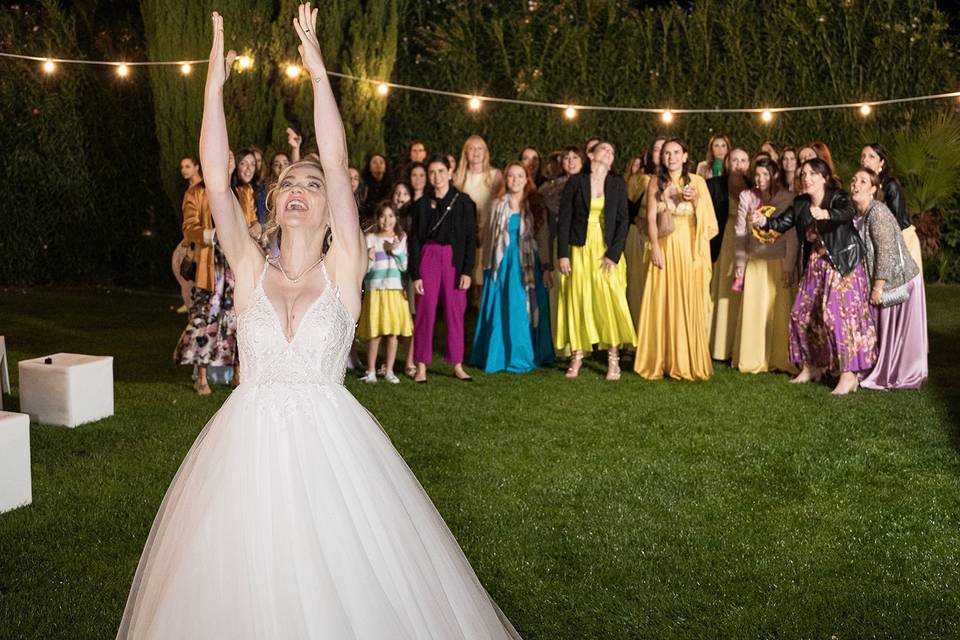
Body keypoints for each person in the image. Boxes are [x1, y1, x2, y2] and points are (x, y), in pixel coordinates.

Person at [118, 8, 522, 639]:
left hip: (335, 452)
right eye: (288, 183)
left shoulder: (345, 266)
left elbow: (335, 162)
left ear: (332, 208)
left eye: (310, 182)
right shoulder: (250, 266)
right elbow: (218, 182)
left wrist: (316, 72)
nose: (300, 186)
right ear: (276, 206)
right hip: (243, 450)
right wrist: (213, 88)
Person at [751, 158, 876, 395]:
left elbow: (847, 212)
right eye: (803, 174)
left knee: (835, 317)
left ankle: (848, 376)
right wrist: (764, 221)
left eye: (812, 174)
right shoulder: (800, 203)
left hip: (841, 263)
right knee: (801, 313)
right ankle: (812, 367)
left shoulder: (837, 197)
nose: (806, 178)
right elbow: (781, 223)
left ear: (823, 177)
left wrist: (825, 213)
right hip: (817, 264)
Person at [635, 139, 718, 380]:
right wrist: (655, 248)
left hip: (689, 247)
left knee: (687, 298)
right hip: (665, 245)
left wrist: (694, 200)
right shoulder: (655, 182)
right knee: (662, 298)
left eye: (676, 153)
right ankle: (659, 359)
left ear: (685, 156)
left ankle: (687, 360)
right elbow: (650, 218)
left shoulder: (698, 181)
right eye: (667, 153)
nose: (671, 157)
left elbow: (709, 221)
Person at [556, 140, 635, 380]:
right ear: (591, 154)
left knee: (610, 301)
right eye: (604, 150)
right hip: (580, 248)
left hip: (606, 250)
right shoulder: (576, 182)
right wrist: (563, 254)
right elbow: (565, 219)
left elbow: (624, 221)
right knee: (580, 299)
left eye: (613, 151)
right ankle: (578, 355)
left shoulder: (617, 184)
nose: (610, 154)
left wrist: (613, 254)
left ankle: (613, 359)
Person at [471, 161, 553, 372]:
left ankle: (521, 355)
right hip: (500, 264)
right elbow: (490, 238)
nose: (515, 180)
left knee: (520, 308)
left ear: (527, 180)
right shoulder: (498, 205)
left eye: (519, 176)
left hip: (525, 266)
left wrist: (545, 266)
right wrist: (486, 267)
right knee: (500, 308)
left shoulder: (535, 204)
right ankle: (498, 355)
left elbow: (543, 237)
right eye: (511, 176)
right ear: (505, 180)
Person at [850, 168, 927, 390]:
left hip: (897, 281)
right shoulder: (863, 213)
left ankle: (893, 374)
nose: (856, 184)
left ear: (873, 189)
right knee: (884, 329)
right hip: (888, 280)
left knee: (894, 333)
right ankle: (883, 369)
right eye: (854, 181)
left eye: (863, 182)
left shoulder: (878, 213)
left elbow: (886, 251)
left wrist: (877, 287)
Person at [409, 156, 477, 383]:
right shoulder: (420, 205)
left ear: (450, 172)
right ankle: (421, 365)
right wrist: (416, 274)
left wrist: (467, 270)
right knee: (425, 310)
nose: (436, 177)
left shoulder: (465, 203)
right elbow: (415, 240)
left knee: (455, 310)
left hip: (453, 259)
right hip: (428, 256)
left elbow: (470, 239)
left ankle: (457, 363)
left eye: (441, 171)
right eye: (432, 172)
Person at [731, 157, 797, 373]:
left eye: (765, 174)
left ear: (774, 175)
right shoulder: (747, 197)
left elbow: (791, 236)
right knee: (754, 312)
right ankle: (752, 358)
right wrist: (740, 263)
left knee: (778, 312)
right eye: (757, 174)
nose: (760, 179)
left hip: (778, 261)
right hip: (756, 260)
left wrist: (788, 266)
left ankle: (779, 358)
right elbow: (740, 233)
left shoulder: (787, 198)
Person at [358, 201, 413, 384]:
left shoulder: (401, 237)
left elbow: (404, 266)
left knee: (393, 333)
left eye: (390, 216)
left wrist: (395, 250)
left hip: (394, 290)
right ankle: (371, 370)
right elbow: (364, 270)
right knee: (375, 333)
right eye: (382, 216)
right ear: (377, 218)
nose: (386, 220)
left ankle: (389, 371)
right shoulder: (370, 238)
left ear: (396, 218)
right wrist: (369, 258)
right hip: (375, 290)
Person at [538, 146, 584, 341]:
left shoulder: (592, 184)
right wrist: (547, 262)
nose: (571, 161)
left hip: (584, 245)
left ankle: (582, 342)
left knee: (581, 294)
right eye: (567, 158)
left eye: (575, 157)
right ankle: (563, 343)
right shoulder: (550, 189)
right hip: (560, 244)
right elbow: (546, 228)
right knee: (561, 293)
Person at [709, 147, 751, 360]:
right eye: (734, 160)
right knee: (720, 288)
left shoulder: (754, 187)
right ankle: (716, 345)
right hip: (721, 241)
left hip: (745, 244)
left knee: (740, 292)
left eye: (743, 160)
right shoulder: (714, 185)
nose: (739, 164)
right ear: (727, 163)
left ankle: (737, 344)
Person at [454, 135, 502, 305]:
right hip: (466, 235)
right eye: (472, 148)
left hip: (488, 233)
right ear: (465, 152)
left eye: (479, 148)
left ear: (485, 152)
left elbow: (499, 206)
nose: (476, 152)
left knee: (484, 283)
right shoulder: (458, 177)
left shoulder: (496, 176)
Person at [860, 143, 923, 270]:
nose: (865, 160)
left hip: (901, 240)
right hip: (873, 241)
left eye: (871, 156)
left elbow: (896, 221)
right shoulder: (861, 185)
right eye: (863, 156)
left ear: (881, 162)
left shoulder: (890, 185)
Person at [624, 138, 664, 326]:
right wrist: (636, 219)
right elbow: (626, 206)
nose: (663, 153)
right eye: (657, 149)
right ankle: (635, 339)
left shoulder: (678, 178)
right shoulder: (640, 177)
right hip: (640, 234)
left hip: (666, 236)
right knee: (638, 285)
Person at [173, 157, 202, 313]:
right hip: (189, 234)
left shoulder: (200, 188)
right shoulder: (190, 188)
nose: (184, 170)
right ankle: (189, 300)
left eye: (188, 166)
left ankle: (193, 302)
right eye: (182, 167)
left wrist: (191, 236)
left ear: (197, 167)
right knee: (179, 264)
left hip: (197, 235)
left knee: (185, 266)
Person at [360, 152, 391, 221]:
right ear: (369, 168)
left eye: (381, 162)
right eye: (374, 162)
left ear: (386, 167)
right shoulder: (363, 185)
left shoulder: (391, 185)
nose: (378, 164)